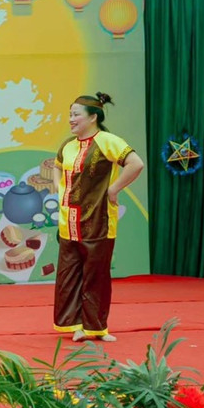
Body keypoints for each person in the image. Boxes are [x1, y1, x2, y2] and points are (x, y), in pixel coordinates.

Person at [53, 93, 144, 343]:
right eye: (70, 114)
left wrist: (114, 189)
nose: (71, 119)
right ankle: (75, 326)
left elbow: (135, 164)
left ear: (93, 117)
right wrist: (59, 190)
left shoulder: (108, 141)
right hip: (68, 221)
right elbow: (57, 166)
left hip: (98, 220)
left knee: (96, 275)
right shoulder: (67, 145)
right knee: (69, 276)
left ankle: (96, 327)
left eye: (76, 114)